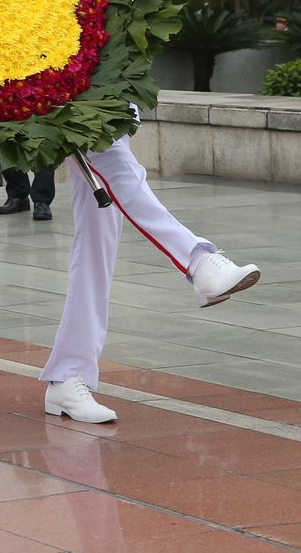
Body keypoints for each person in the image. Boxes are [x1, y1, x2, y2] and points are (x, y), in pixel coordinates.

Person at [40, 133, 261, 422]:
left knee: (96, 246)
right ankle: (198, 261)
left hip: (110, 100)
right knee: (115, 165)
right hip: (74, 103)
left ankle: (67, 374)